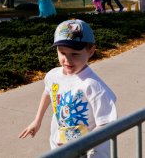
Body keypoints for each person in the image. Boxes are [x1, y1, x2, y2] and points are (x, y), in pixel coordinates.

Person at [19, 19, 117, 157]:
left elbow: (106, 122)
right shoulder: (53, 76)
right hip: (61, 147)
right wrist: (37, 120)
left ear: (91, 51)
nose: (67, 59)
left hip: (90, 152)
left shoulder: (93, 85)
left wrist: (83, 145)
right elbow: (48, 93)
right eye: (62, 53)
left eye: (75, 54)